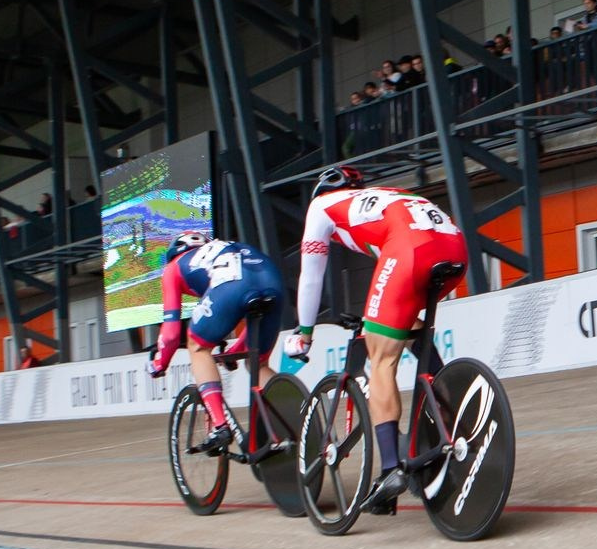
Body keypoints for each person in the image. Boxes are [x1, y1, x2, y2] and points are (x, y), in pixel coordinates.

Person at [286, 163, 468, 510]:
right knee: (406, 327)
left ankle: (389, 471)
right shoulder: (385, 196)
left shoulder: (322, 206)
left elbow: (310, 276)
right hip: (454, 248)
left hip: (409, 250)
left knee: (381, 357)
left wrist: (304, 332)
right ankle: (449, 409)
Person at [146, 228, 288, 458]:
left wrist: (159, 364)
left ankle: (220, 427)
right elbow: (250, 319)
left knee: (197, 346)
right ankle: (300, 416)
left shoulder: (173, 267)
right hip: (271, 279)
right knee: (257, 364)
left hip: (231, 285)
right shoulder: (225, 247)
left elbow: (171, 334)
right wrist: (236, 350)